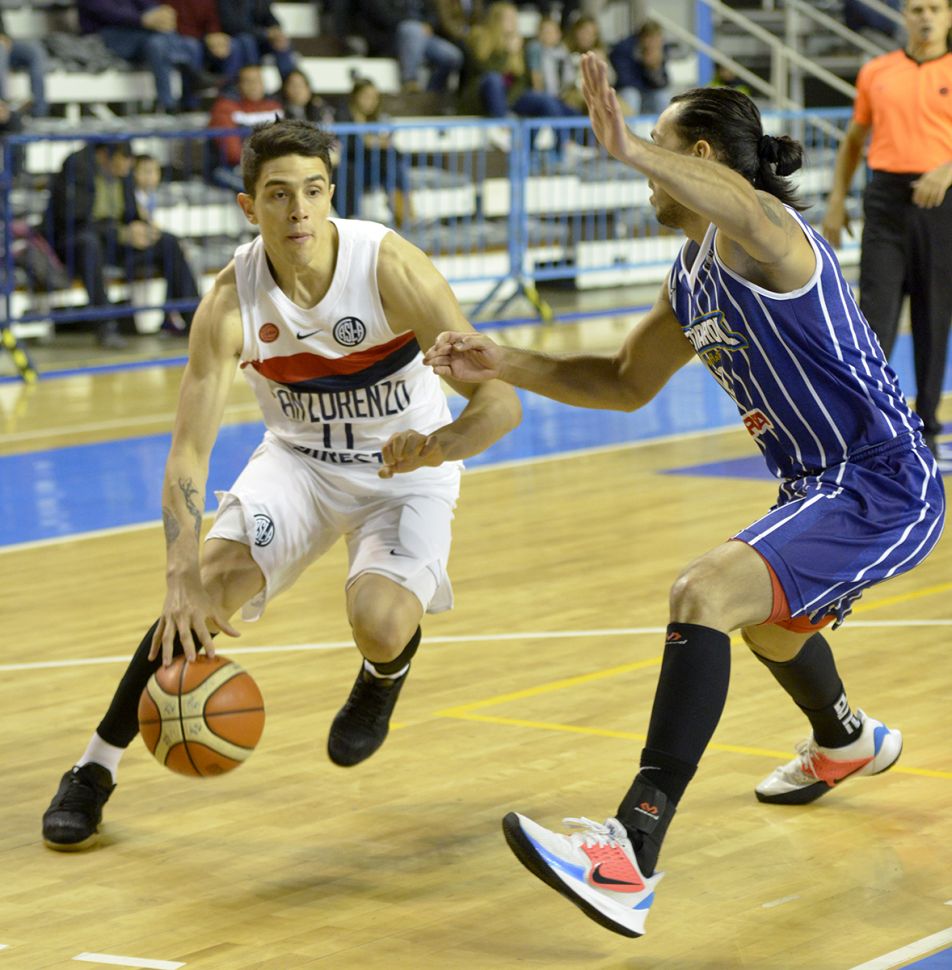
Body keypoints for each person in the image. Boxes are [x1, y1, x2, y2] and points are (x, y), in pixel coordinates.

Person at [424, 52, 946, 938]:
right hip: (814, 485)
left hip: (879, 480)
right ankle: (845, 739)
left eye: (660, 147)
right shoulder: (692, 271)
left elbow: (740, 202)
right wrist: (504, 361)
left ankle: (629, 852)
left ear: (698, 157)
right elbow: (624, 382)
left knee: (704, 591)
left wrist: (631, 145)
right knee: (773, 626)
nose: (640, 169)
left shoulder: (769, 234)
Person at [40, 118, 521, 851]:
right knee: (205, 591)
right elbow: (188, 451)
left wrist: (438, 446)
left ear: (331, 194)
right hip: (298, 462)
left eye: (313, 190)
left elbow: (501, 402)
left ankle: (381, 675)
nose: (299, 210)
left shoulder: (392, 269)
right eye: (279, 194)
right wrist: (178, 574)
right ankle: (93, 768)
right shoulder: (230, 301)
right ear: (249, 206)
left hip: (405, 471)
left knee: (382, 622)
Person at [822, 0, 952, 466]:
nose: (925, 16)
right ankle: (869, 427)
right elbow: (854, 140)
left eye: (935, 8)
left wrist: (948, 169)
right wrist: (836, 200)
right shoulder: (876, 71)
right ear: (904, 16)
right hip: (885, 201)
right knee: (873, 320)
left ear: (949, 16)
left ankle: (928, 427)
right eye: (916, 8)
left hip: (941, 203)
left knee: (933, 320)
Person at [44, 141, 200, 349]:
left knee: (168, 242)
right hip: (76, 244)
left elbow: (130, 215)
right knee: (89, 244)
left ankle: (196, 321)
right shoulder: (76, 169)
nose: (128, 167)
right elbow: (75, 221)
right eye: (122, 160)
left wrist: (143, 229)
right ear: (104, 156)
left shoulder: (123, 174)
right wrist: (121, 233)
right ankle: (105, 326)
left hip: (114, 243)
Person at [76, 0, 218, 114]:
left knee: (191, 45)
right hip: (105, 36)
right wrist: (142, 19)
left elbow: (149, 5)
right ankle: (168, 103)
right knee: (157, 44)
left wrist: (161, 14)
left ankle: (189, 104)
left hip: (140, 32)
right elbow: (109, 13)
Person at [338, 77, 415, 227]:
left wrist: (376, 143)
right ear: (355, 96)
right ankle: (405, 215)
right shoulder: (343, 117)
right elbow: (348, 147)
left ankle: (405, 214)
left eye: (375, 97)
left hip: (376, 168)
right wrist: (372, 143)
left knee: (392, 163)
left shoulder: (376, 119)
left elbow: (386, 147)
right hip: (352, 169)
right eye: (366, 96)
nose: (371, 101)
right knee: (389, 164)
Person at [208, 64, 283, 191]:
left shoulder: (274, 106)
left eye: (258, 81)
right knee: (261, 191)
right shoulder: (225, 107)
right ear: (239, 85)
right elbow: (233, 152)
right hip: (231, 169)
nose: (254, 85)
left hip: (270, 168)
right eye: (248, 81)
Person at [610, 19, 672, 117]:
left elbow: (663, 84)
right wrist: (642, 63)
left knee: (662, 96)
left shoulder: (660, 49)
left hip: (647, 94)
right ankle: (628, 127)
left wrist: (654, 69)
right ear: (643, 38)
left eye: (658, 39)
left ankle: (664, 126)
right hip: (626, 93)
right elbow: (624, 81)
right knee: (632, 95)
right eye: (651, 39)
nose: (655, 43)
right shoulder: (624, 49)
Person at [0, 11, 49, 118]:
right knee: (0, 49)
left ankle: (39, 112)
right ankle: (2, 109)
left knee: (35, 52)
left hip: (5, 44)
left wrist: (4, 37)